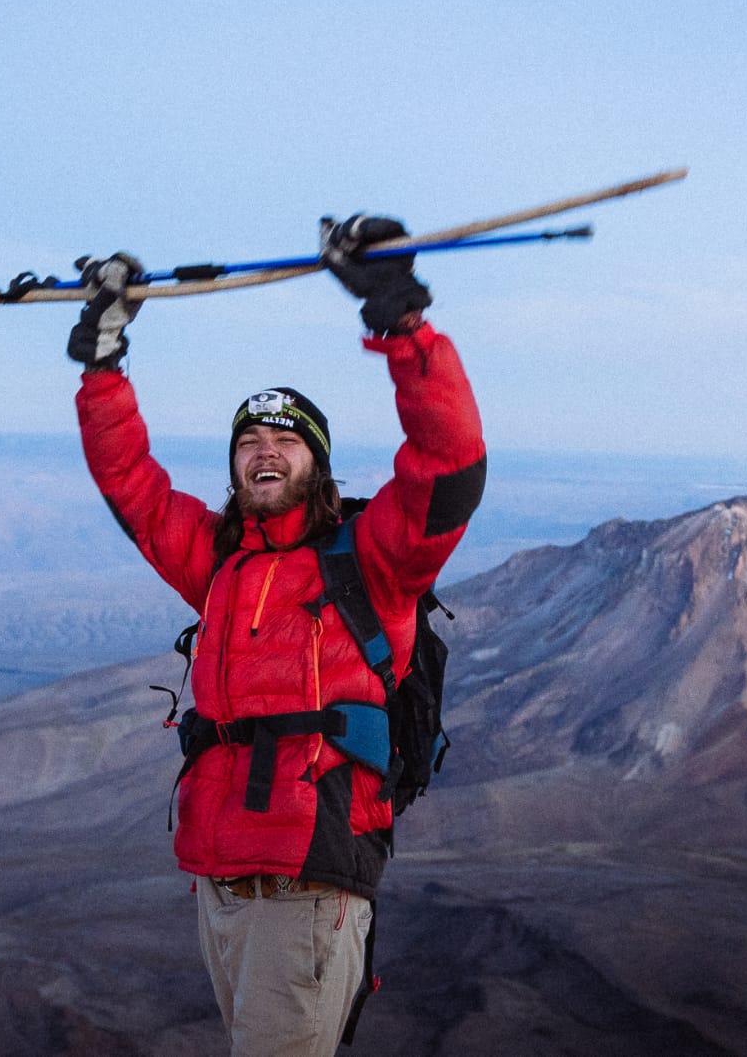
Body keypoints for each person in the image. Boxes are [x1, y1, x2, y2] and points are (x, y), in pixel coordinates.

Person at [67, 216, 486, 1056]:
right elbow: (131, 484)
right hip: (219, 875)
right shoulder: (220, 562)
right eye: (248, 442)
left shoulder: (372, 558)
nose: (264, 452)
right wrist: (103, 363)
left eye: (285, 441)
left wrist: (398, 319)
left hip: (314, 872)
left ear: (315, 465)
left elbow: (449, 461)